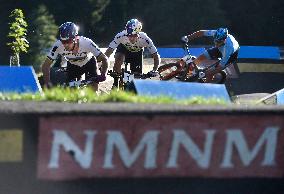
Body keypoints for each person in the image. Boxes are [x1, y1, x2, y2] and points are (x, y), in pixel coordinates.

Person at [41, 22, 109, 90]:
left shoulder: (87, 43)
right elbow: (45, 65)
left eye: (69, 41)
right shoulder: (57, 45)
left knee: (93, 89)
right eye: (63, 42)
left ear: (76, 38)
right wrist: (47, 83)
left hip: (89, 64)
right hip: (73, 65)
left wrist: (103, 74)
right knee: (72, 91)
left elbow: (104, 59)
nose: (66, 45)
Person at [104, 18, 161, 87]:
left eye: (134, 36)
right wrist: (103, 65)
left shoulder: (145, 38)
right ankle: (116, 82)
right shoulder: (121, 35)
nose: (131, 38)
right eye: (129, 35)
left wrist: (154, 69)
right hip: (123, 49)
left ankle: (128, 84)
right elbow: (109, 51)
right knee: (118, 60)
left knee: (136, 78)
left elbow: (156, 56)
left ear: (138, 33)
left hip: (137, 53)